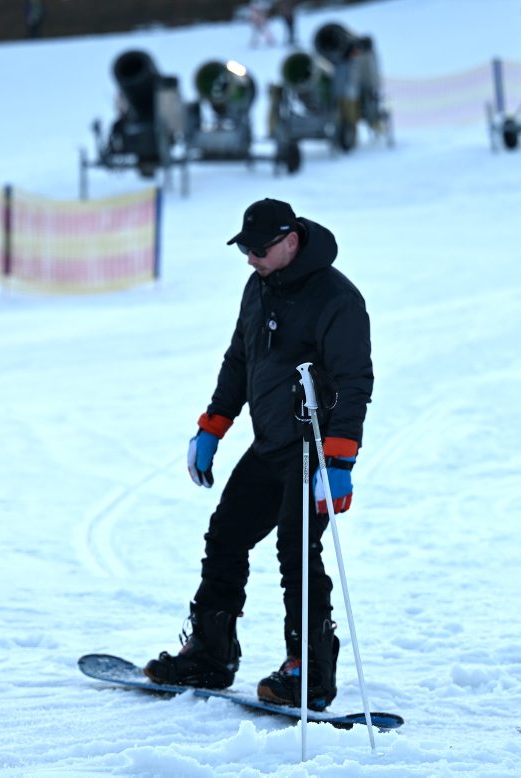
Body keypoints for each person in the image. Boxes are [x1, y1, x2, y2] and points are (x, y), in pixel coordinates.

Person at [144, 198, 373, 712]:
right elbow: (240, 358)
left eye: (258, 248)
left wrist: (339, 463)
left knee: (297, 552)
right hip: (270, 443)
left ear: (291, 240)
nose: (249, 257)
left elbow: (356, 382)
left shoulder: (338, 300)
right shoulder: (260, 287)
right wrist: (213, 427)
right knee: (226, 535)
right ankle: (210, 650)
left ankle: (309, 668)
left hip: (313, 446)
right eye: (244, 248)